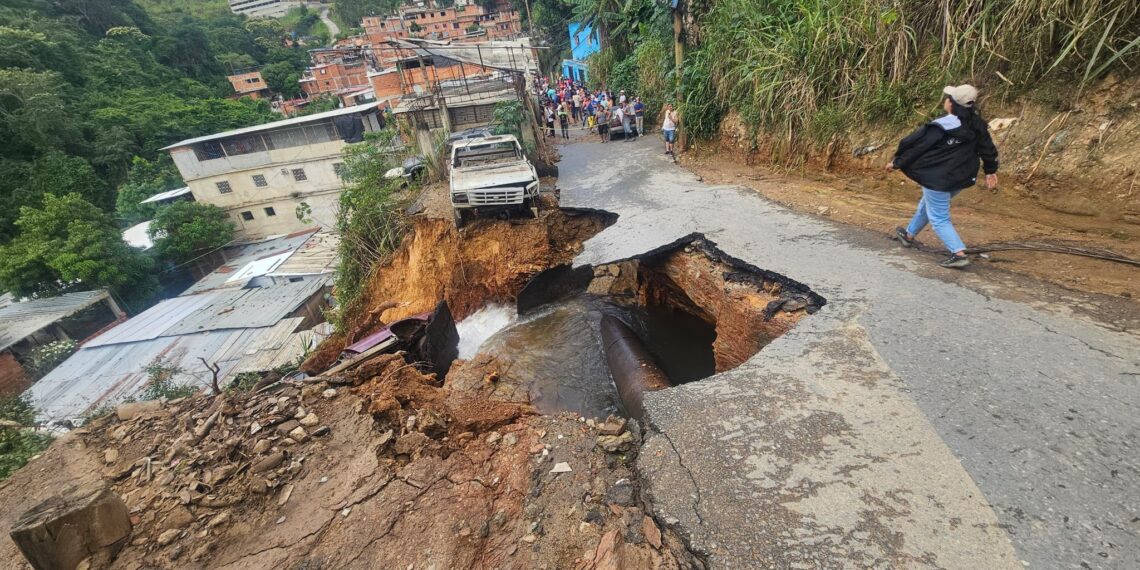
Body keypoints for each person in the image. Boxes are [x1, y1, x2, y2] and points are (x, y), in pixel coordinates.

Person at [889, 84, 999, 269]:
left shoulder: (942, 126)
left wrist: (896, 162)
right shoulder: (977, 125)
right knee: (928, 204)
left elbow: (916, 146)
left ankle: (958, 254)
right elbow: (988, 149)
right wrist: (990, 170)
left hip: (938, 178)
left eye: (948, 98)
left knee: (939, 217)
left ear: (952, 104)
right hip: (961, 178)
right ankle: (908, 235)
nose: (945, 100)